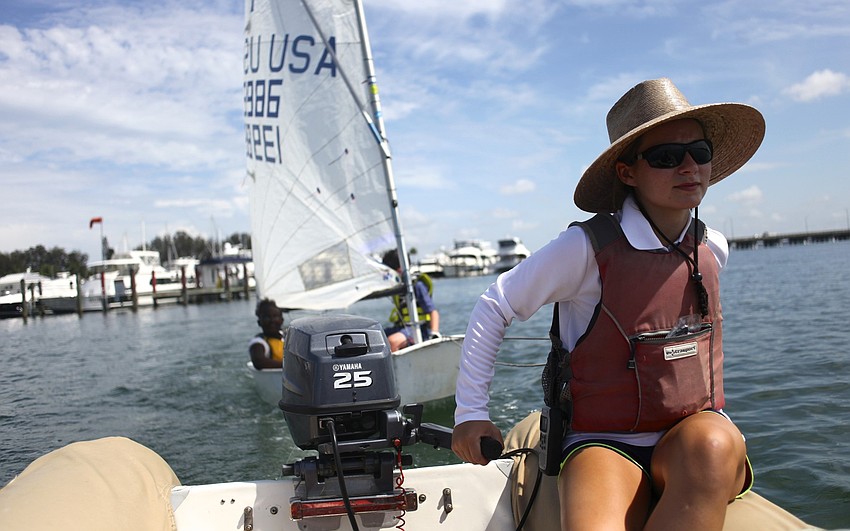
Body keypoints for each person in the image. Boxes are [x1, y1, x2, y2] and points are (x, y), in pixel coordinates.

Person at [451, 78, 765, 530]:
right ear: (627, 172)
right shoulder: (583, 249)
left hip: (695, 433)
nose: (689, 167)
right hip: (604, 441)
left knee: (713, 448)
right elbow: (495, 305)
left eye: (699, 151)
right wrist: (471, 415)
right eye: (665, 157)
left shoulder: (712, 247)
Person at [382, 249, 440, 352]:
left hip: (419, 328)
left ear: (399, 270)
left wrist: (434, 333)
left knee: (392, 341)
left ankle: (395, 368)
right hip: (401, 327)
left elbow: (433, 312)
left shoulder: (417, 286)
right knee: (375, 336)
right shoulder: (398, 287)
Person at [249, 298, 284, 369]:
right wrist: (291, 366)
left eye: (275, 316)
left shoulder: (288, 337)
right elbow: (259, 362)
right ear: (259, 322)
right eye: (267, 317)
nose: (272, 320)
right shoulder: (258, 343)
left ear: (282, 320)